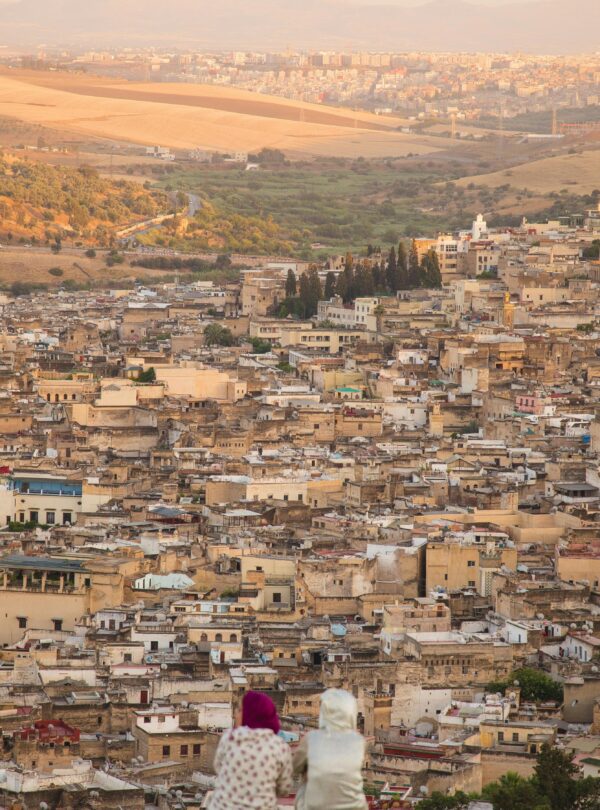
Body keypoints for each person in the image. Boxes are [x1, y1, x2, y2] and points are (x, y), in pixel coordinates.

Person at [209, 690, 292, 810]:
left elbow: (218, 768)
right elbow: (284, 788)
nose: (236, 715)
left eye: (240, 710)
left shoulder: (229, 738)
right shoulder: (280, 747)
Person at [293, 688, 367, 810]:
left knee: (303, 787)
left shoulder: (311, 738)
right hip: (355, 806)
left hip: (316, 806)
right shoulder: (359, 741)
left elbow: (295, 768)